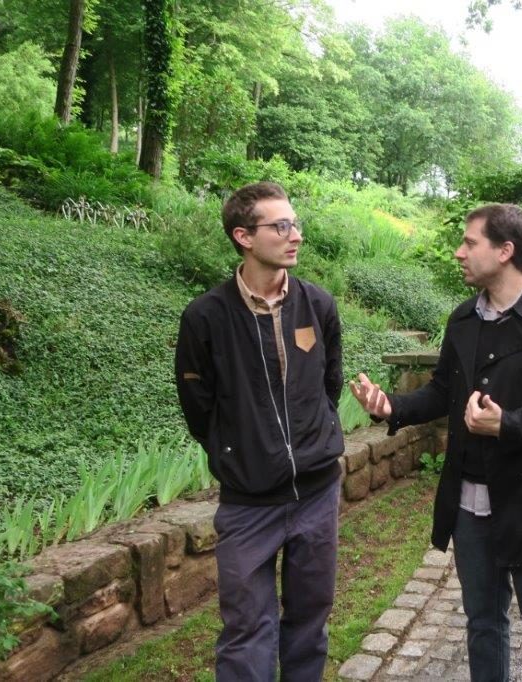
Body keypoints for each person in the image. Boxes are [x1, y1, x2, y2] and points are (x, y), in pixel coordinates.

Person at [350, 203, 522, 681]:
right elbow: (444, 390)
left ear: (505, 251)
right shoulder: (463, 319)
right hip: (469, 501)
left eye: (470, 243)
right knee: (483, 621)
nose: (459, 252)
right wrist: (392, 408)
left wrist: (509, 425)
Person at [175, 181, 344, 681]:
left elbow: (327, 383)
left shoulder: (319, 305)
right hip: (249, 502)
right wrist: (238, 453)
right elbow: (199, 406)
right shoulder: (205, 316)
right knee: (247, 629)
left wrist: (312, 441)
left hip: (316, 493)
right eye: (282, 226)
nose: (296, 236)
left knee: (310, 623)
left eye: (296, 224)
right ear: (244, 236)